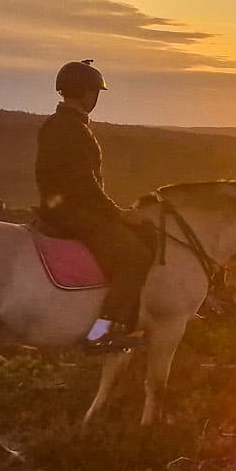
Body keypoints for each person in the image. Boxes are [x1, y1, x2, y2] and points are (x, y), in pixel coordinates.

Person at [37, 60, 153, 349]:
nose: (96, 99)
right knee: (135, 258)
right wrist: (118, 214)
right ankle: (101, 333)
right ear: (87, 94)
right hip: (74, 212)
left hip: (64, 206)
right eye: (95, 93)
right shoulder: (72, 129)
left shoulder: (59, 124)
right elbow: (85, 184)